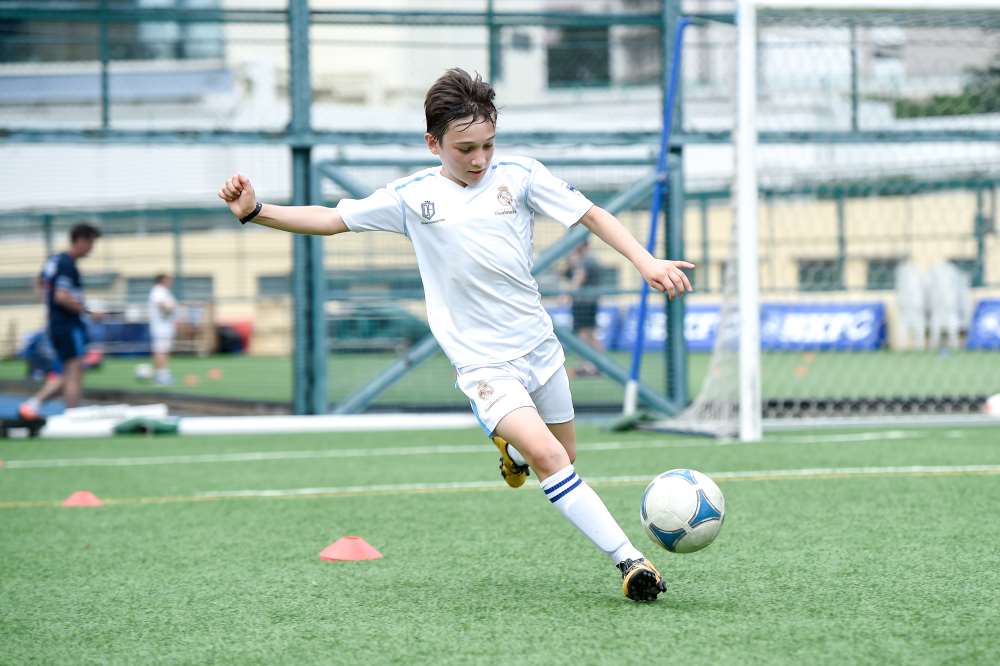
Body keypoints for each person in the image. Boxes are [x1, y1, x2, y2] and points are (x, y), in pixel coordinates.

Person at [217, 68, 694, 602]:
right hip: (483, 364)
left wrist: (644, 260)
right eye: (465, 148)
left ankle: (511, 452)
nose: (479, 159)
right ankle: (630, 562)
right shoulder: (412, 196)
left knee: (564, 456)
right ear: (433, 142)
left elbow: (591, 215)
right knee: (551, 461)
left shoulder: (521, 175)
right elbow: (332, 219)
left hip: (538, 347)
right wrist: (255, 212)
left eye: (488, 144)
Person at [19, 223, 102, 420]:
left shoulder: (54, 260)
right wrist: (88, 312)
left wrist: (48, 307)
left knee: (69, 371)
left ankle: (35, 405)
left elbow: (40, 283)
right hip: (68, 325)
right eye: (91, 243)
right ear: (80, 241)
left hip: (57, 324)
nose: (92, 248)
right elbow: (61, 296)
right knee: (74, 371)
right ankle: (69, 415)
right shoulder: (67, 264)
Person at [563, 239, 605, 377]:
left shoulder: (587, 260)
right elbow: (564, 273)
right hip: (590, 301)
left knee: (583, 334)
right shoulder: (588, 259)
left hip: (583, 302)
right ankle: (600, 365)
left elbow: (579, 277)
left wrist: (567, 295)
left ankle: (586, 366)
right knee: (590, 334)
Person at [148, 273, 178, 384]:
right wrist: (171, 307)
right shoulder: (158, 291)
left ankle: (163, 373)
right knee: (160, 351)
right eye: (168, 279)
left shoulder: (165, 291)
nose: (170, 282)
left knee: (164, 350)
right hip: (160, 327)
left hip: (166, 327)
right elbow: (163, 305)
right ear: (162, 280)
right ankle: (160, 375)